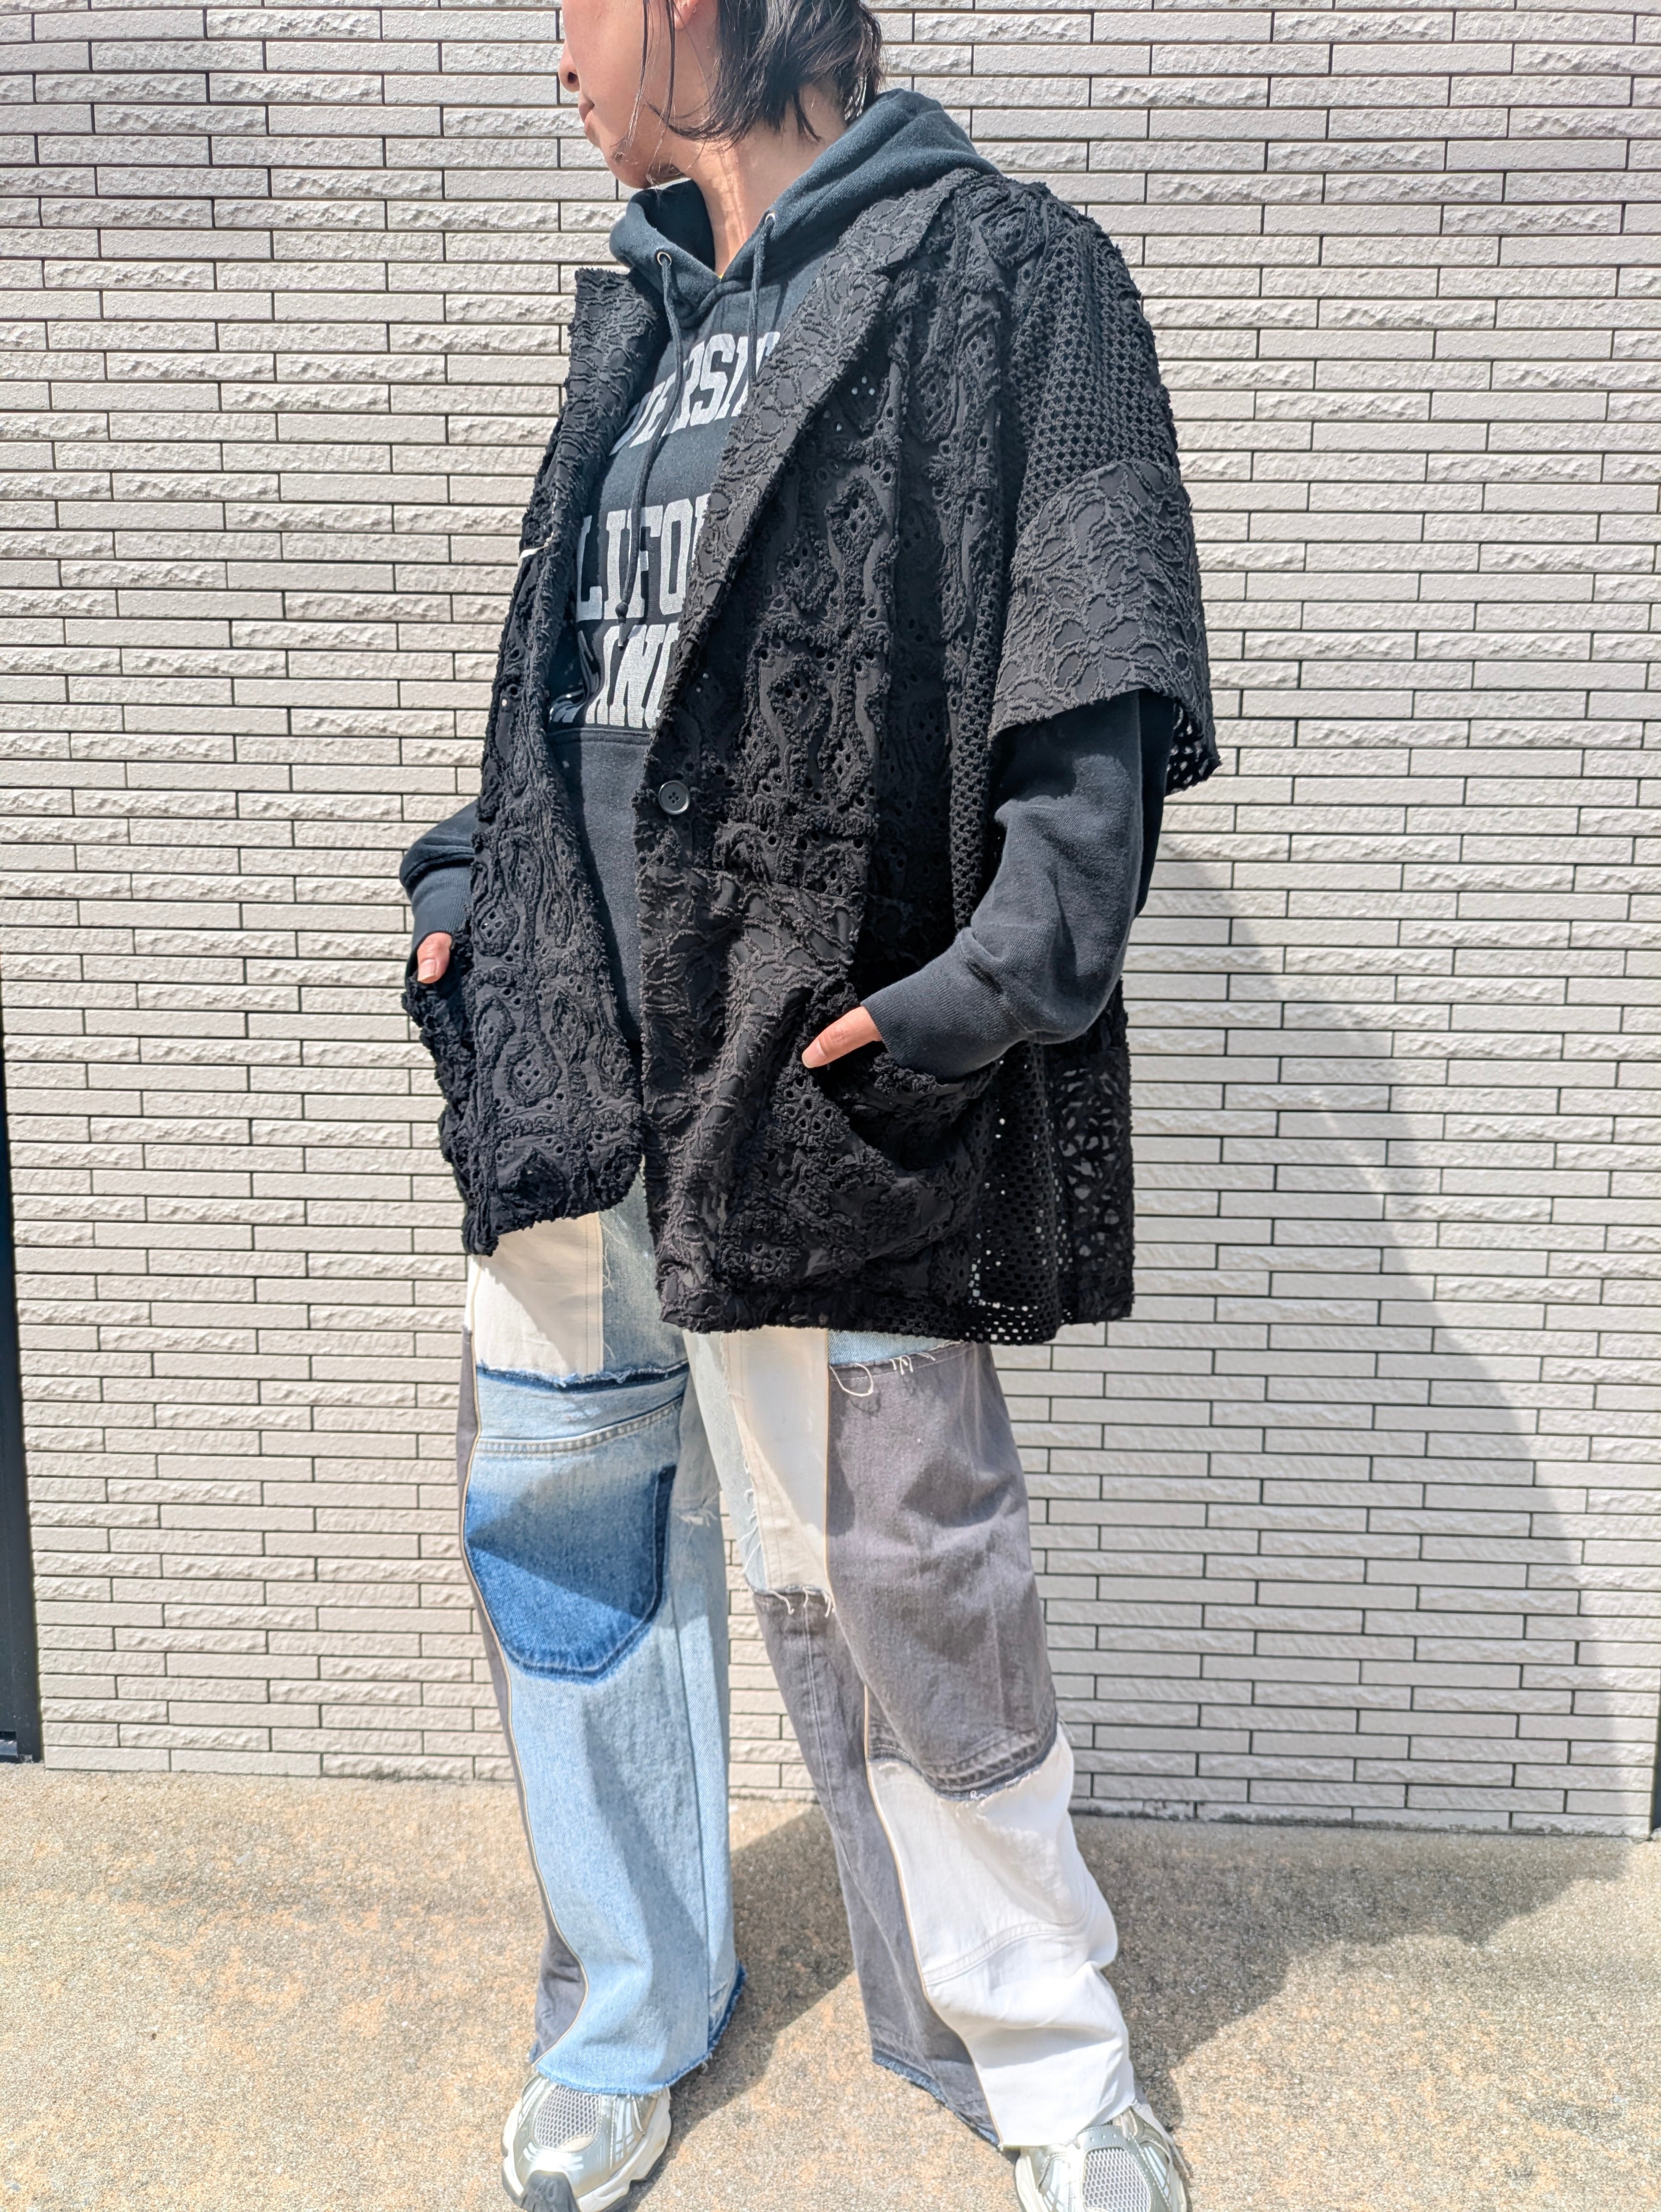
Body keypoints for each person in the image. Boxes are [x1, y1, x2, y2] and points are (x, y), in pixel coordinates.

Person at [398, 0, 1217, 2200]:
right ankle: (627, 2011)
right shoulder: (639, 320)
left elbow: (1096, 647)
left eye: (574, 8)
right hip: (572, 1075)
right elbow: (568, 670)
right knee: (567, 1555)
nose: (556, 62)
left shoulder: (1011, 272)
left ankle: (1045, 2056)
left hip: (811, 1088)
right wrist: (467, 880)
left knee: (910, 1578)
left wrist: (986, 986)